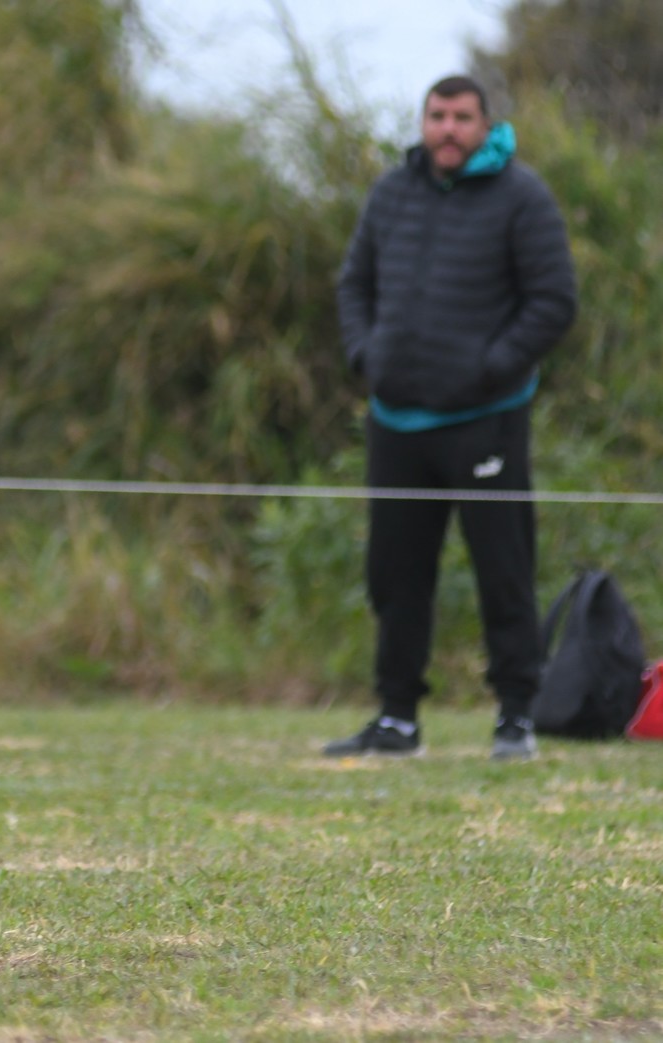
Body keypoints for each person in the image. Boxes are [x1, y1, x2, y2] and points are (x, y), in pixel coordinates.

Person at [325, 75, 577, 761]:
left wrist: (490, 366)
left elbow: (552, 300)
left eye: (461, 117)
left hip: (485, 418)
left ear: (484, 125)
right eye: (436, 116)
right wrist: (364, 355)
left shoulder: (520, 196)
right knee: (393, 572)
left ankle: (516, 714)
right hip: (395, 419)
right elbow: (353, 284)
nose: (446, 129)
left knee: (502, 567)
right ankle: (397, 718)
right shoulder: (391, 192)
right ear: (422, 121)